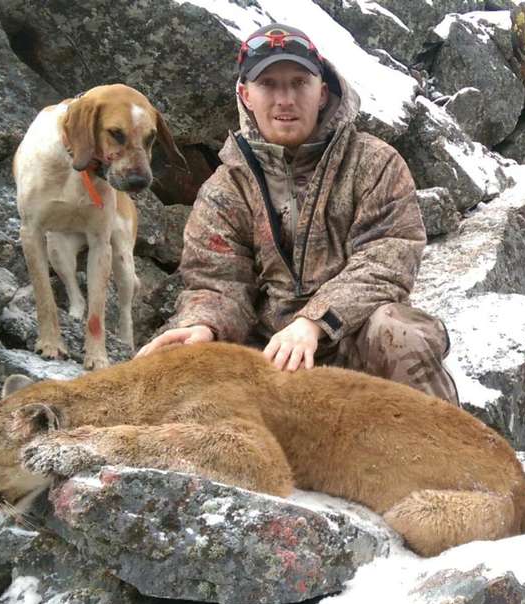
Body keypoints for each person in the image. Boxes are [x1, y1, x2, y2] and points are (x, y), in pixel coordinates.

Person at [137, 23, 459, 405]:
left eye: (299, 83)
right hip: (268, 353)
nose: (285, 98)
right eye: (269, 84)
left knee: (400, 332)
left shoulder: (375, 164)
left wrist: (314, 322)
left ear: (322, 92)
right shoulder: (225, 189)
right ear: (246, 95)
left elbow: (386, 262)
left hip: (351, 338)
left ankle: (446, 456)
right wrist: (203, 326)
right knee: (178, 361)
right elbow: (217, 283)